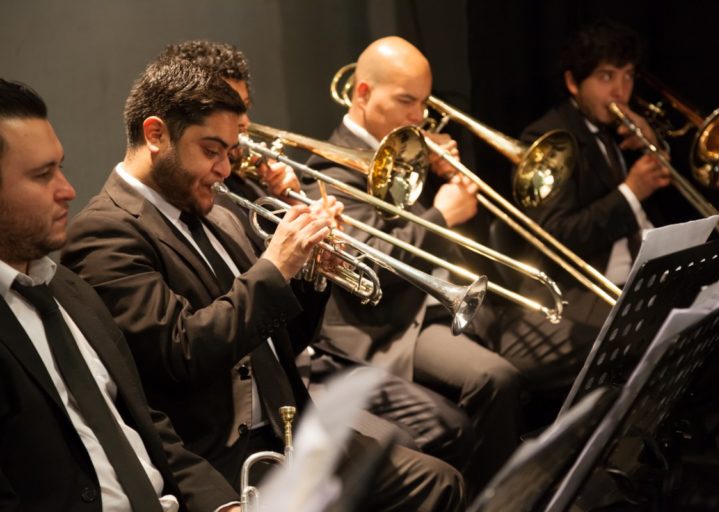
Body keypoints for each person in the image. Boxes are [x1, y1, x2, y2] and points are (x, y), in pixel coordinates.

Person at [61, 56, 464, 510]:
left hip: (289, 424)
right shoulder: (106, 232)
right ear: (155, 135)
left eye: (229, 153)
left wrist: (312, 273)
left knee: (439, 483)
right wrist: (276, 267)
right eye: (211, 151)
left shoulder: (219, 212)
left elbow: (282, 340)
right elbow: (182, 351)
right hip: (223, 455)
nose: (225, 169)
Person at [161, 38, 476, 472]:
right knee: (437, 435)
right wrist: (292, 245)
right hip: (298, 375)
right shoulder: (205, 197)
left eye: (245, 108)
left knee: (452, 428)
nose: (245, 124)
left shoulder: (251, 186)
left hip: (309, 353)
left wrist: (303, 229)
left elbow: (297, 311)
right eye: (230, 110)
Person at [0, 79, 241, 511]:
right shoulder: (103, 240)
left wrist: (225, 505)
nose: (67, 190)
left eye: (60, 167)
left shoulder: (69, 290)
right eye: (42, 175)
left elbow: (147, 426)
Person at [304, 35, 523, 491]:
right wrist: (442, 213)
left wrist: (438, 181)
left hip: (428, 306)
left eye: (423, 103)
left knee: (516, 335)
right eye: (406, 101)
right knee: (496, 378)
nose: (419, 117)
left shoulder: (403, 150)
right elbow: (374, 263)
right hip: (386, 324)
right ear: (362, 93)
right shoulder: (330, 168)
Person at [519, 20, 671, 328]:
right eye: (606, 77)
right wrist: (631, 192)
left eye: (628, 76)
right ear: (573, 83)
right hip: (581, 293)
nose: (621, 92)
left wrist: (653, 146)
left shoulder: (619, 128)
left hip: (643, 278)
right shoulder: (548, 138)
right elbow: (558, 237)